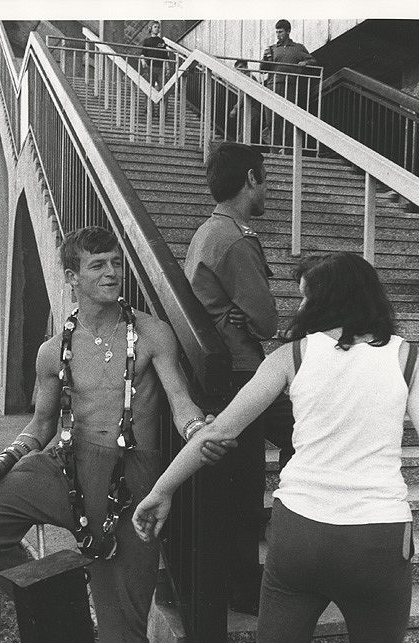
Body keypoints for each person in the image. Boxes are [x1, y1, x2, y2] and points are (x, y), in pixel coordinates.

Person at [133, 251, 419, 643]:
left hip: (300, 536)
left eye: (305, 295)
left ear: (324, 299)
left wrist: (163, 489)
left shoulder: (291, 357)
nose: (301, 305)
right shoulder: (410, 359)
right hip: (378, 539)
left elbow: (219, 432)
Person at [0, 226, 234, 643]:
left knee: (123, 617)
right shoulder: (53, 349)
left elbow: (180, 402)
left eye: (115, 263)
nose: (111, 273)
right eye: (97, 265)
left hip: (132, 480)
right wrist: (2, 461)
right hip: (66, 467)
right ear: (72, 276)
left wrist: (197, 428)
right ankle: (53, 605)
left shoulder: (151, 333)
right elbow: (40, 426)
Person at [184, 141, 294, 613]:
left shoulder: (208, 232)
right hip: (241, 372)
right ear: (250, 178)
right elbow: (266, 322)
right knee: (250, 483)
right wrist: (253, 317)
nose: (268, 188)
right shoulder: (236, 239)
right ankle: (249, 584)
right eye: (265, 178)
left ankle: (255, 570)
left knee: (283, 447)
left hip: (228, 368)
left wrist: (241, 314)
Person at [259, 19, 317, 151]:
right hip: (273, 85)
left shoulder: (298, 48)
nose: (278, 35)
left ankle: (288, 151)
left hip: (290, 86)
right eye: (277, 32)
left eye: (281, 32)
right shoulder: (272, 49)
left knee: (289, 119)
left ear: (288, 31)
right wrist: (265, 59)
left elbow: (313, 60)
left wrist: (305, 63)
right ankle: (275, 150)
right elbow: (262, 69)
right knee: (272, 120)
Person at [229, 60, 263, 146]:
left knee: (245, 134)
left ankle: (240, 149)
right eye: (237, 69)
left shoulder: (248, 77)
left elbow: (243, 95)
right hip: (250, 109)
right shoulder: (247, 77)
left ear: (246, 67)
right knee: (247, 134)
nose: (239, 70)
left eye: (241, 67)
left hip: (252, 109)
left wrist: (235, 108)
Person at [140, 20, 170, 90]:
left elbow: (165, 56)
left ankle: (162, 98)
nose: (157, 29)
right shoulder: (147, 41)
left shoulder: (161, 41)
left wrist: (168, 68)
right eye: (155, 27)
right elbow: (143, 53)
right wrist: (143, 61)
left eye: (158, 27)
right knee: (149, 88)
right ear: (151, 28)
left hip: (160, 68)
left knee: (163, 89)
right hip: (150, 67)